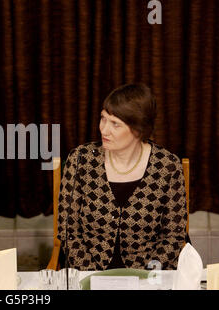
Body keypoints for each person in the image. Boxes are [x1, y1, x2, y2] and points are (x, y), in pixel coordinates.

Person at [57, 83, 187, 270]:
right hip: (89, 273)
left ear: (138, 128)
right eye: (103, 119)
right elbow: (69, 231)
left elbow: (173, 237)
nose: (104, 130)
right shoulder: (80, 160)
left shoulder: (167, 166)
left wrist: (147, 277)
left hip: (146, 278)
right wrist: (93, 278)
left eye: (115, 124)